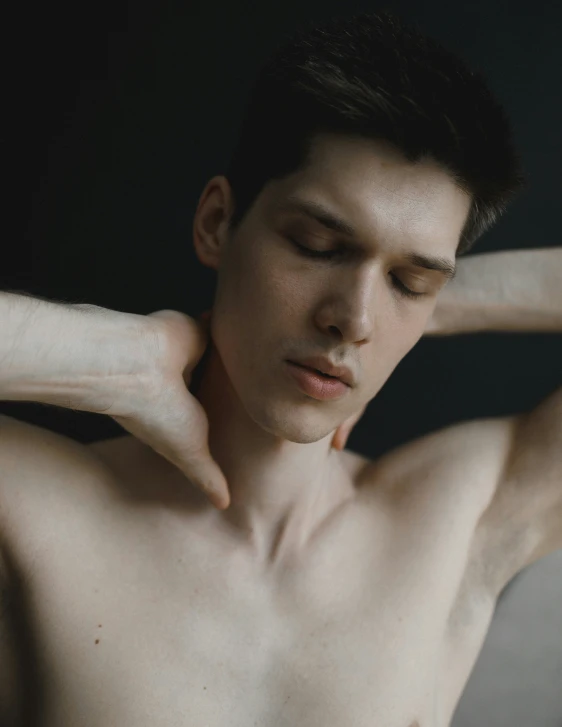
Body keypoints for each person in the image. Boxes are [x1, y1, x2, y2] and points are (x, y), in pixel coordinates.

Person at [1, 9, 561, 727]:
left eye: (409, 282)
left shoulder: (454, 523)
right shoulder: (38, 512)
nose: (351, 321)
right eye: (319, 244)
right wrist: (108, 357)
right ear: (216, 224)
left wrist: (437, 301)